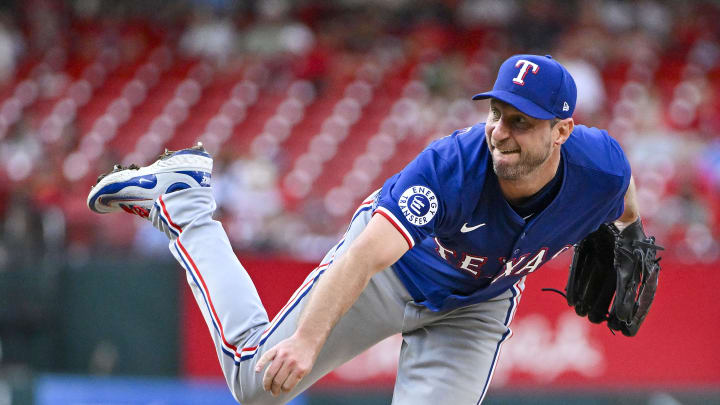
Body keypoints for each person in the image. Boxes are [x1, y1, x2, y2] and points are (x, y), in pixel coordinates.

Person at [88, 54, 641, 404]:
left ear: (563, 130)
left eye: (520, 121)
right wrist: (306, 342)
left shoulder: (601, 167)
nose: (500, 130)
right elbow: (366, 254)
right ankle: (185, 205)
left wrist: (632, 233)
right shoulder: (452, 167)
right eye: (496, 112)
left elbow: (623, 191)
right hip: (394, 273)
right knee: (259, 386)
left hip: (476, 306)